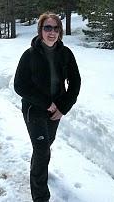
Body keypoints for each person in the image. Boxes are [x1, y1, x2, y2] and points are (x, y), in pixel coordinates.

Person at [14, 12, 81, 202]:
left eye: (55, 28)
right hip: (34, 110)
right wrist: (46, 102)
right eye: (47, 28)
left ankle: (38, 168)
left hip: (56, 111)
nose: (52, 32)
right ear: (40, 30)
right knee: (42, 148)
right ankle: (40, 196)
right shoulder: (29, 55)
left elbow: (75, 83)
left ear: (60, 31)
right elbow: (19, 85)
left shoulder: (66, 53)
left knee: (45, 146)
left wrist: (63, 107)